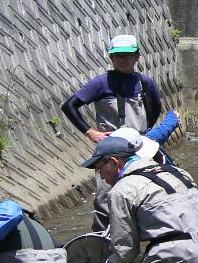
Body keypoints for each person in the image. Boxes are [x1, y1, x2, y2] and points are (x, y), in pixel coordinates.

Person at [82, 129, 198, 263]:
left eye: (100, 168)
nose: (100, 175)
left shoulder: (122, 190)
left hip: (173, 254)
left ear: (115, 162)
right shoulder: (177, 172)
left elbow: (126, 250)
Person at [61, 34, 178, 232]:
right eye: (118, 56)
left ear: (137, 56)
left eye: (127, 55)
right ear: (111, 58)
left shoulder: (144, 83)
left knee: (144, 195)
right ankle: (101, 242)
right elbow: (69, 106)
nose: (123, 59)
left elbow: (155, 108)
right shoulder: (100, 83)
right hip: (109, 152)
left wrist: (144, 134)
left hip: (140, 150)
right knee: (106, 200)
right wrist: (90, 132)